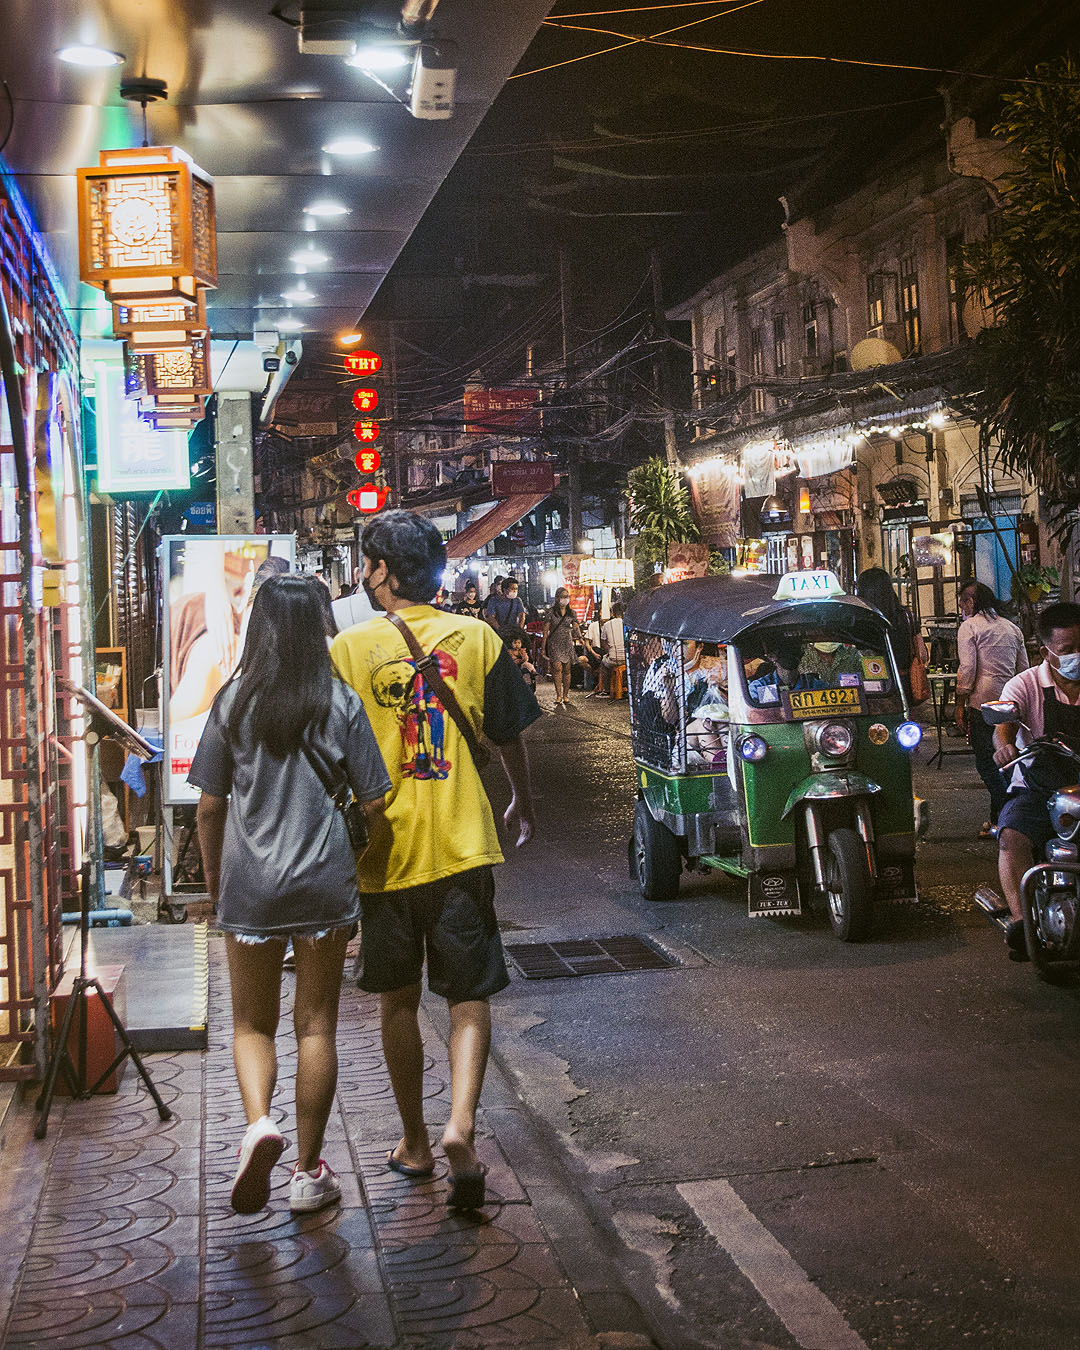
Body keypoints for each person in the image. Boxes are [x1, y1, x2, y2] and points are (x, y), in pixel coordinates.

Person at [331, 511, 541, 1211]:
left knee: (396, 998)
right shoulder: (478, 637)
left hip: (382, 856)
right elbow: (509, 734)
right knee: (468, 995)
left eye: (367, 565)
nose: (364, 577)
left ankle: (415, 1140)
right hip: (461, 844)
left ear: (384, 572)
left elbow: (331, 754)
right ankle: (462, 1125)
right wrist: (522, 802)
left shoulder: (349, 648)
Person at [190, 575, 390, 1215]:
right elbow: (375, 800)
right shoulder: (342, 702)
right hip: (324, 881)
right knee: (317, 1025)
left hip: (251, 886)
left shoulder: (232, 703)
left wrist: (218, 887)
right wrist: (365, 857)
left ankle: (258, 1125)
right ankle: (308, 1172)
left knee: (251, 1022)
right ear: (319, 628)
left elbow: (210, 808)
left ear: (260, 628)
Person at [992, 602, 1080, 957]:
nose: (1077, 656)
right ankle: (1022, 922)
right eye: (1068, 650)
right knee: (1010, 836)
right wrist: (1004, 747)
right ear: (1046, 651)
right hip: (1038, 789)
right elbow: (1003, 728)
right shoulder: (1024, 684)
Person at [953, 581, 1028, 838]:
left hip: (981, 703)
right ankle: (998, 819)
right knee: (1008, 760)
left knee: (987, 763)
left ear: (971, 602)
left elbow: (968, 670)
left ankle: (1009, 810)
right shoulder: (1012, 628)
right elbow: (1023, 669)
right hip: (1010, 703)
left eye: (963, 601)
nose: (962, 607)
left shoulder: (969, 627)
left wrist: (959, 704)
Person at [856, 567, 924, 701]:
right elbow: (922, 654)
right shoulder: (906, 616)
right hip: (904, 685)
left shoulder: (860, 619)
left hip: (871, 687)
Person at [747, 635, 822, 704]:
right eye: (785, 650)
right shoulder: (759, 686)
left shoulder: (815, 685)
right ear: (771, 656)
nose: (790, 654)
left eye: (795, 649)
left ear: (801, 653)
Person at [544, 588, 583, 707]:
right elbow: (546, 631)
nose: (565, 599)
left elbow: (576, 627)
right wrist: (543, 647)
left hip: (567, 642)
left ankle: (566, 695)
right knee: (557, 668)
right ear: (557, 598)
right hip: (554, 642)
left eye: (567, 596)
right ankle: (558, 695)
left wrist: (580, 637)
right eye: (562, 596)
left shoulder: (572, 613)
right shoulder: (551, 612)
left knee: (567, 669)